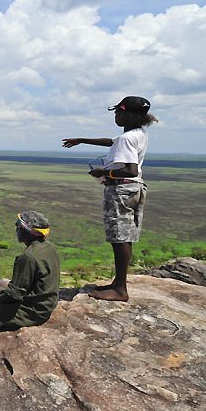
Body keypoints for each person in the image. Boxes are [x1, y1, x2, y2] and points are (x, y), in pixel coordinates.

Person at [62, 96, 157, 301]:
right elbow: (112, 142)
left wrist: (103, 174)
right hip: (134, 189)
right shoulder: (138, 133)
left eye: (118, 112)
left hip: (121, 190)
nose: (116, 115)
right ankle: (118, 282)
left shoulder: (127, 138)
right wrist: (82, 140)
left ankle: (120, 289)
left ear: (128, 115)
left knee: (119, 238)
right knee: (125, 237)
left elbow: (130, 170)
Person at [0, 211, 60, 331]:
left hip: (31, 310)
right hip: (45, 305)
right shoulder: (49, 248)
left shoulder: (28, 257)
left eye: (18, 225)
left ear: (25, 230)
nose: (16, 229)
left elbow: (14, 294)